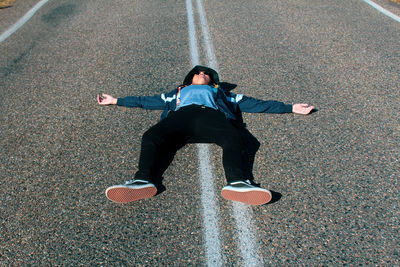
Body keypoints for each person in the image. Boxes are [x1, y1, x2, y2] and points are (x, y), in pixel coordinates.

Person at [97, 65, 314, 205]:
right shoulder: (177, 92)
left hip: (212, 118)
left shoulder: (222, 93)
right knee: (151, 136)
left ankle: (238, 182)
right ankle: (142, 180)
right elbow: (146, 100)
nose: (203, 74)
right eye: (198, 73)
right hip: (181, 117)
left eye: (207, 74)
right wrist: (116, 100)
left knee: (234, 137)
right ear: (190, 79)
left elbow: (255, 104)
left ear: (212, 82)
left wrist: (290, 107)